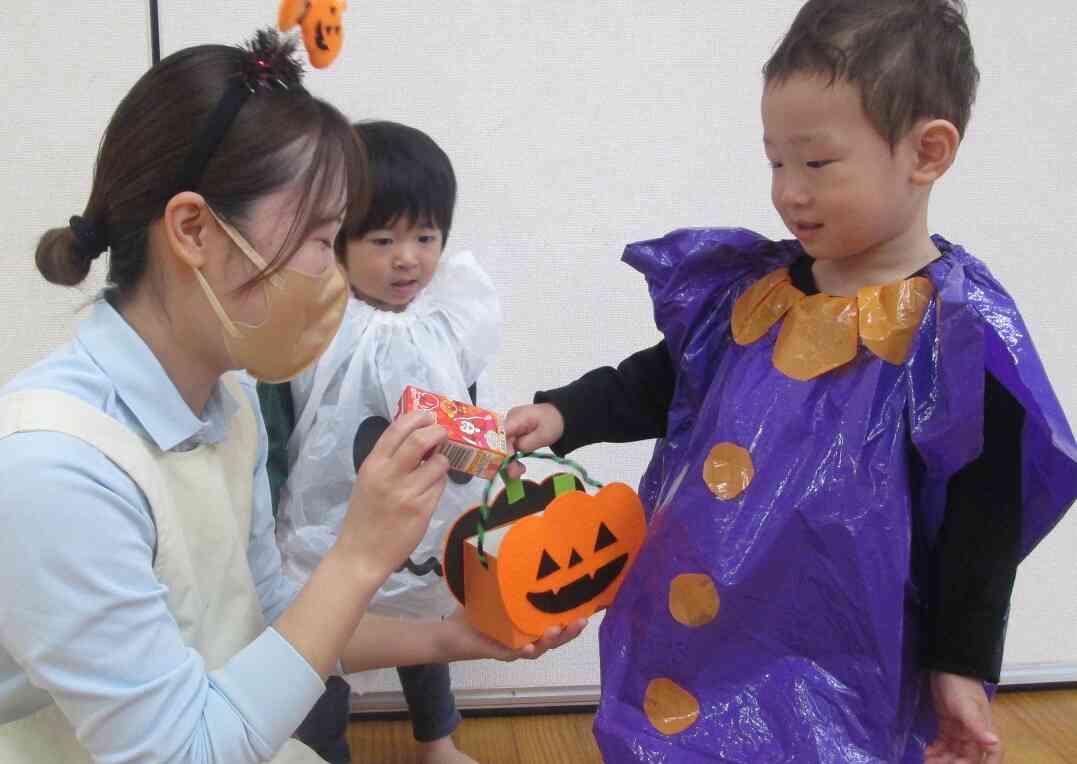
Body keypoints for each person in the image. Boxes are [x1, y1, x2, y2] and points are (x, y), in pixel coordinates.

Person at [505, 2, 1077, 761]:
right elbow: (665, 375)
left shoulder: (956, 334)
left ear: (926, 152)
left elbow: (983, 517)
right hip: (693, 622)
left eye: (816, 163)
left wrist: (960, 665)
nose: (788, 191)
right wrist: (562, 413)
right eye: (775, 161)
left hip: (841, 650)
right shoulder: (755, 293)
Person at [0, 31, 582, 764]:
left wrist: (460, 638)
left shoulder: (229, 408)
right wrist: (360, 553)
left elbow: (272, 621)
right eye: (320, 238)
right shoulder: (54, 468)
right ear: (192, 232)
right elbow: (182, 752)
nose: (333, 273)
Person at [261, 120, 498, 764]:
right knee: (323, 642)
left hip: (425, 512)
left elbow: (466, 407)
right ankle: (321, 749)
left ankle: (437, 739)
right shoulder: (318, 322)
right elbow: (279, 419)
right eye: (383, 238)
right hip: (328, 522)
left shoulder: (447, 317)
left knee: (426, 624)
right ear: (337, 239)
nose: (408, 258)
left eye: (425, 237)